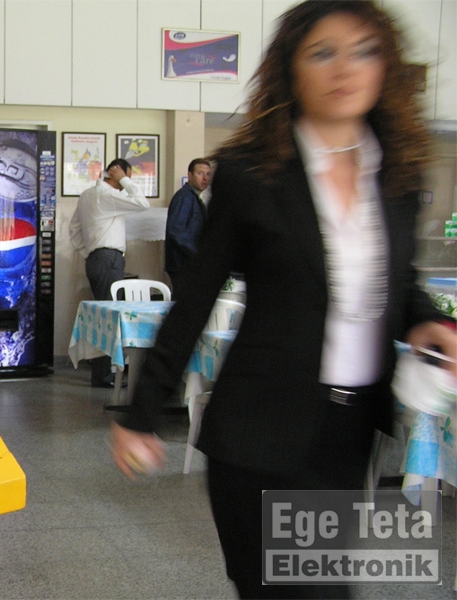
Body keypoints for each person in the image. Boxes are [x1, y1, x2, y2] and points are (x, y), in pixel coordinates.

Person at [109, 2, 457, 598]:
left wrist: (426, 322)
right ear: (291, 68)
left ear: (387, 67)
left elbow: (396, 281)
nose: (345, 68)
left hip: (349, 432)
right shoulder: (253, 173)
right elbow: (195, 297)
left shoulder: (396, 172)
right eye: (322, 52)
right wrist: (141, 414)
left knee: (321, 586)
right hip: (260, 429)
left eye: (365, 51)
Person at [70, 158, 150, 387]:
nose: (126, 183)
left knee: (101, 316)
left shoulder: (87, 195)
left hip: (96, 260)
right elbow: (142, 203)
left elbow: (74, 229)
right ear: (116, 174)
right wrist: (124, 179)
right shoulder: (107, 195)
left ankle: (102, 373)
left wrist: (88, 254)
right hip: (109, 259)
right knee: (110, 318)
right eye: (126, 177)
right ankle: (103, 375)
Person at [165, 158, 212, 296]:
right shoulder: (185, 197)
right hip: (183, 263)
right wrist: (198, 254)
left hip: (187, 262)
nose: (205, 178)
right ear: (190, 175)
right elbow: (176, 230)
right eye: (200, 173)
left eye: (208, 174)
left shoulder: (193, 197)